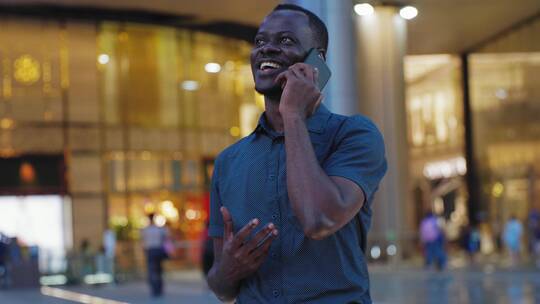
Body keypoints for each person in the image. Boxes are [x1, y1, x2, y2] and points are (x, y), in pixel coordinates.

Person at [207, 4, 387, 303]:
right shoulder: (229, 162)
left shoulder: (355, 135)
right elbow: (221, 288)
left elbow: (319, 219)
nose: (267, 50)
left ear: (317, 61)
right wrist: (229, 270)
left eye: (286, 41)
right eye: (260, 42)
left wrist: (293, 114)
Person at [140, 213, 169, 297]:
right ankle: (158, 288)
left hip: (151, 251)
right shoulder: (160, 229)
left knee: (152, 270)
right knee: (158, 270)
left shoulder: (145, 230)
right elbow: (166, 238)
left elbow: (143, 242)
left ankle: (155, 289)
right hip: (158, 250)